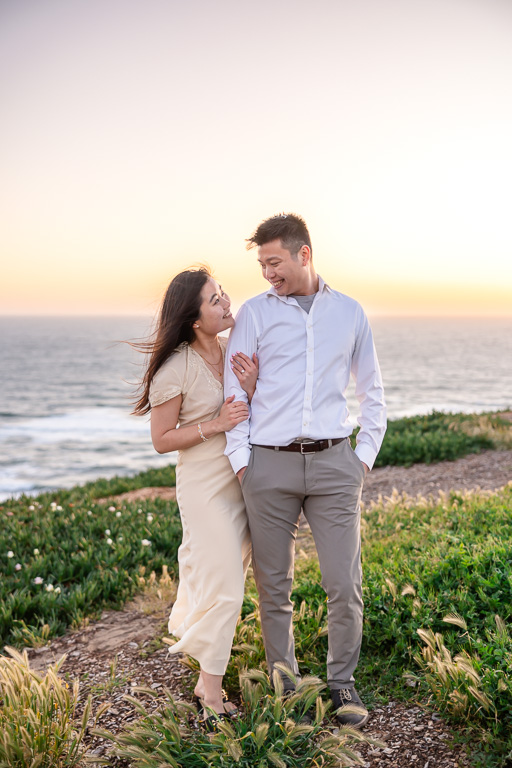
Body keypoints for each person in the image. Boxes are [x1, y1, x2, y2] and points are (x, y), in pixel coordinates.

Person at [224, 213, 386, 728]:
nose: (267, 273)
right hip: (268, 465)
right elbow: (234, 396)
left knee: (344, 582)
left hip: (336, 463)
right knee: (275, 586)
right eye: (262, 264)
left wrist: (363, 458)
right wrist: (243, 462)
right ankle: (287, 688)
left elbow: (372, 391)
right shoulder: (253, 314)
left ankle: (342, 684)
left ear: (304, 255)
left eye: (274, 262)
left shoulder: (350, 313)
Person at [133, 267, 257, 728]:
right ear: (193, 319)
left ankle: (206, 649)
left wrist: (249, 388)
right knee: (225, 583)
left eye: (223, 294)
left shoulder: (231, 350)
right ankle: (210, 686)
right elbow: (161, 439)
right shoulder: (175, 368)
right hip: (205, 488)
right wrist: (217, 425)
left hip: (243, 478)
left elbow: (247, 410)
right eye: (215, 301)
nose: (226, 303)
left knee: (230, 578)